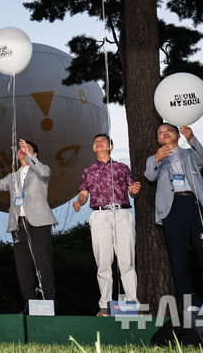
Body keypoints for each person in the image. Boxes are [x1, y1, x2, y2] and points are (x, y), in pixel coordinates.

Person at [144, 123, 203, 309]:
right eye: (160, 133)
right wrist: (157, 158)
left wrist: (192, 138)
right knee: (178, 257)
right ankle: (190, 303)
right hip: (172, 208)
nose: (164, 134)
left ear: (177, 135)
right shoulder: (154, 158)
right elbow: (149, 176)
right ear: (157, 140)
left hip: (197, 204)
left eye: (168, 131)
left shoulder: (188, 153)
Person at [73, 134, 142, 316]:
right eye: (95, 141)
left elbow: (132, 191)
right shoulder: (88, 171)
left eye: (102, 141)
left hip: (121, 213)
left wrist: (134, 190)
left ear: (111, 146)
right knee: (103, 261)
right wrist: (79, 202)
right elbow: (83, 193)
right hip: (99, 215)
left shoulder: (122, 167)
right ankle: (105, 305)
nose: (98, 143)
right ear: (93, 148)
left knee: (126, 260)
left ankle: (132, 302)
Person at [0, 139, 56, 312]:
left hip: (39, 222)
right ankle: (29, 303)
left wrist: (29, 155)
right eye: (20, 149)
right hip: (18, 224)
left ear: (35, 154)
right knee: (22, 266)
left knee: (43, 262)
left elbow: (45, 174)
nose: (22, 150)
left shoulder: (41, 170)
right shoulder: (13, 177)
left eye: (27, 148)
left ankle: (47, 301)